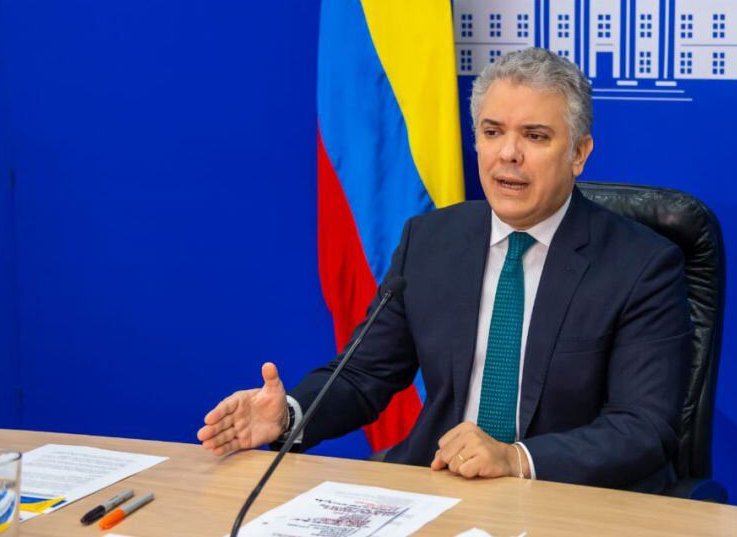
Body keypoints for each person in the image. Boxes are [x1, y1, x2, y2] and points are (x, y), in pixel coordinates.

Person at [197, 47, 691, 492]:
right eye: (492, 132)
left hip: (568, 497)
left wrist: (515, 458)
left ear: (579, 153)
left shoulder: (641, 265)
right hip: (440, 484)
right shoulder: (430, 241)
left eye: (535, 136)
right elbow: (365, 373)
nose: (508, 154)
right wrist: (286, 416)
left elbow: (642, 426)